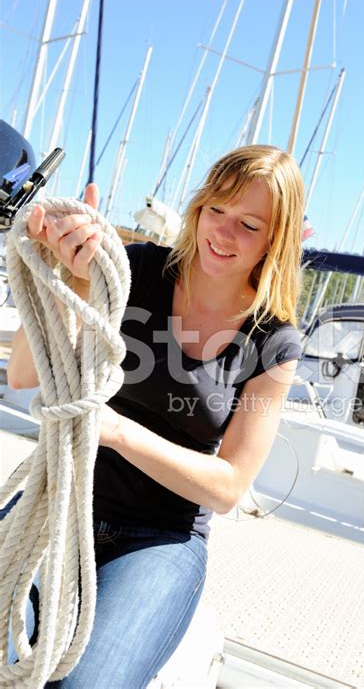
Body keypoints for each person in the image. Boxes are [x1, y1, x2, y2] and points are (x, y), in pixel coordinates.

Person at [6, 144, 305, 687]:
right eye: (216, 209)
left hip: (159, 540)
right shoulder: (136, 270)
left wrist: (118, 431)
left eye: (248, 224)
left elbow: (228, 486)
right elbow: (26, 375)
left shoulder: (274, 342)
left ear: (275, 239)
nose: (223, 232)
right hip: (59, 504)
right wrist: (68, 277)